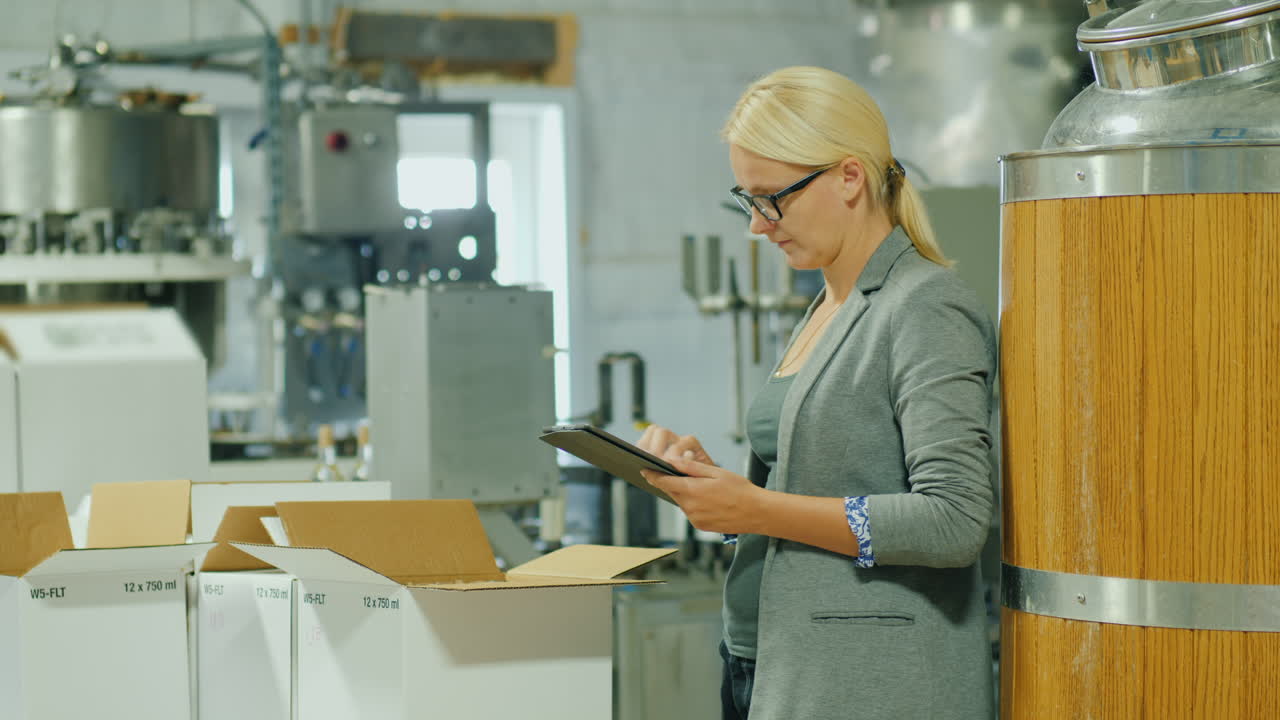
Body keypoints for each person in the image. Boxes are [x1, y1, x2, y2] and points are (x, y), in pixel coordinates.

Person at [638, 66, 997, 720]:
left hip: (864, 682)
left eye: (771, 197)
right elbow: (808, 483)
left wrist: (756, 509)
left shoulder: (923, 307)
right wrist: (715, 488)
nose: (757, 224)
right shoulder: (829, 305)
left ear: (849, 178)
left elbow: (955, 520)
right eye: (747, 199)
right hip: (765, 658)